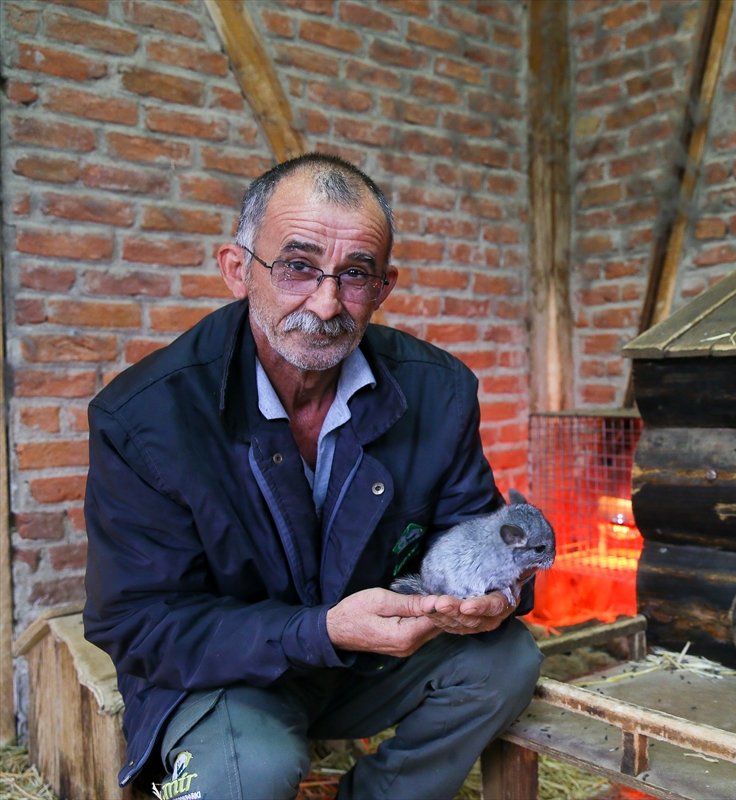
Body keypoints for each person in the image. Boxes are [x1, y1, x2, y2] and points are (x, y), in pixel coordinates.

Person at [83, 153, 542, 800]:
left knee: (509, 658)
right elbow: (138, 624)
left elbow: (475, 529)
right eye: (298, 267)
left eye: (355, 275)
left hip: (371, 654)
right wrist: (320, 630)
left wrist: (498, 594)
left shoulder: (440, 391)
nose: (327, 304)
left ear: (384, 288)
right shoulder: (145, 417)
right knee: (250, 775)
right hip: (228, 673)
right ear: (237, 270)